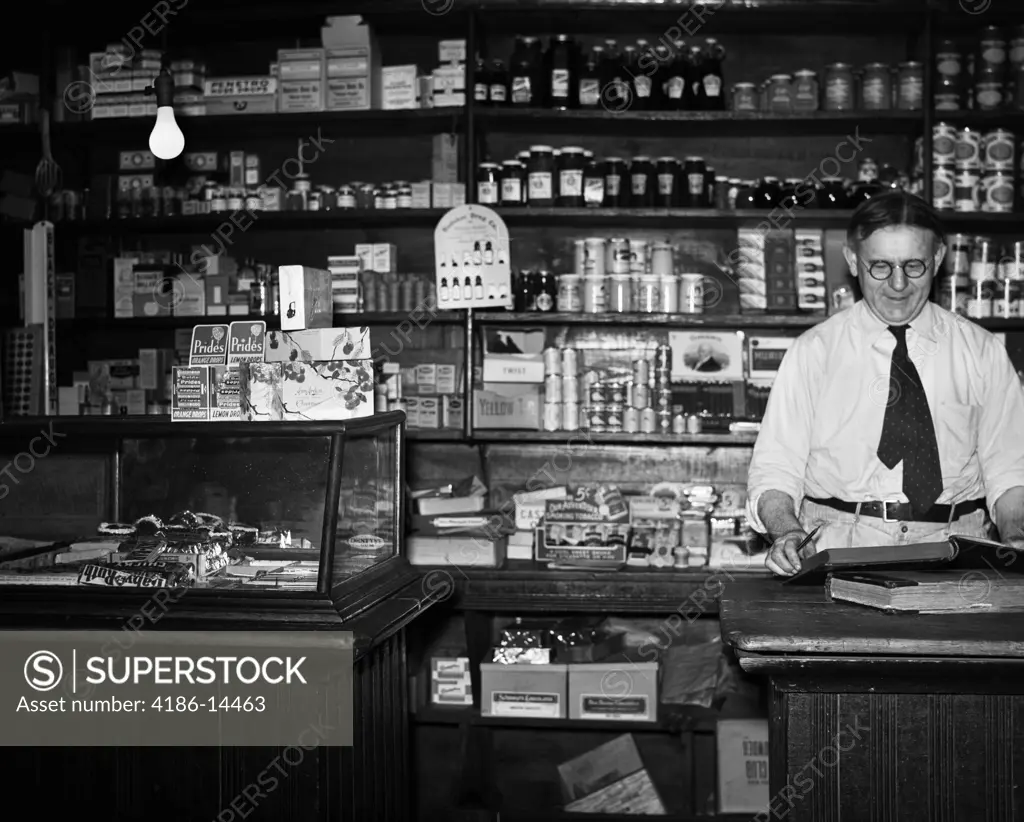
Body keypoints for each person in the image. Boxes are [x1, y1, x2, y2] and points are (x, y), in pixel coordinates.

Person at [746, 191, 1024, 576]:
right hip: (839, 546)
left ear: (939, 259)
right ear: (852, 262)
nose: (897, 284)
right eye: (880, 266)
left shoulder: (983, 352)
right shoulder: (814, 351)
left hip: (955, 550)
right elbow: (776, 469)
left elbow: (1011, 471)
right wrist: (788, 532)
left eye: (914, 266)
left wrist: (1016, 535)